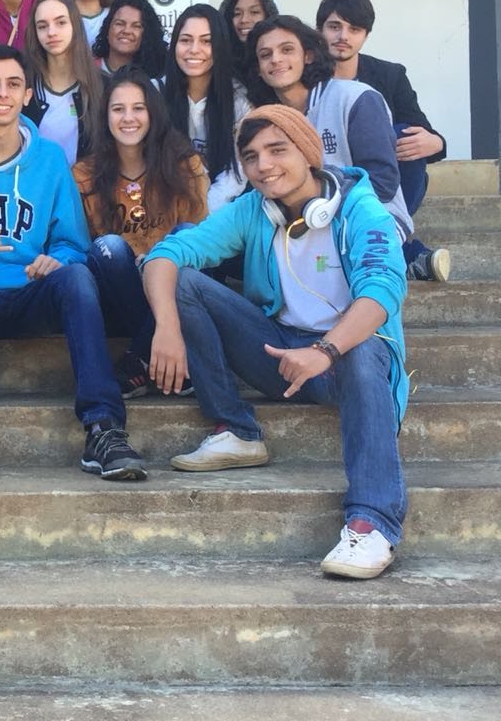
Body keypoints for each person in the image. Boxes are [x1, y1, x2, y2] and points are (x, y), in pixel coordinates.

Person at [142, 106, 408, 580]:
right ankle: (237, 430)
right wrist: (166, 326)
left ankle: (373, 522)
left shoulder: (362, 209)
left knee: (366, 347)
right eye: (251, 156)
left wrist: (325, 350)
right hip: (280, 355)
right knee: (183, 281)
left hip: (347, 357)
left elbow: (381, 292)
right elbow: (169, 253)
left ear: (307, 152)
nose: (263, 165)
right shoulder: (255, 209)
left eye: (277, 150)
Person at [0, 45, 144, 484]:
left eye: (13, 85)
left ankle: (103, 427)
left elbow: (73, 243)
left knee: (77, 275)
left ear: (27, 95)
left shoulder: (49, 159)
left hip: (32, 291)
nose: (2, 94)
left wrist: (54, 259)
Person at [74, 67, 208, 397]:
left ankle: (138, 359)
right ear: (105, 116)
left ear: (153, 113)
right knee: (108, 247)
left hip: (173, 286)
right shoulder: (84, 174)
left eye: (138, 108)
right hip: (119, 290)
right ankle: (165, 359)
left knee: (188, 235)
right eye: (118, 109)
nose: (128, 118)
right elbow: (80, 246)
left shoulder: (184, 164)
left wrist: (156, 263)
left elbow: (203, 240)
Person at [243, 15, 416, 247]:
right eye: (265, 55)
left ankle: (412, 255)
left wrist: (317, 203)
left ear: (308, 55)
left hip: (368, 222)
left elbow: (382, 183)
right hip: (297, 224)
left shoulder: (356, 98)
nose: (276, 59)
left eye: (287, 50)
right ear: (258, 69)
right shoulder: (265, 119)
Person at [315, 0, 450, 281]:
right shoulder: (306, 79)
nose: (343, 36)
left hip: (382, 185)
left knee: (404, 134)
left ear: (366, 35)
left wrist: (437, 142)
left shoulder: (389, 75)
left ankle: (385, 236)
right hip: (330, 180)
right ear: (319, 30)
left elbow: (424, 132)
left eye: (354, 29)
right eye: (335, 26)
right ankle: (407, 254)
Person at [162, 4, 251, 213]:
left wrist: (201, 213)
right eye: (185, 40)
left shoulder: (240, 101)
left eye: (206, 41)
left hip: (219, 213)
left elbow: (235, 175)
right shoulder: (155, 93)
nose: (194, 49)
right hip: (164, 211)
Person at [20, 0, 103, 165]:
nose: (51, 32)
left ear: (75, 25)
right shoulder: (23, 86)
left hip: (86, 181)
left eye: (61, 23)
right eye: (42, 26)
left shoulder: (103, 86)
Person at [90, 0, 169, 84]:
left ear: (147, 34)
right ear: (107, 28)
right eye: (119, 24)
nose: (126, 31)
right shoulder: (87, 70)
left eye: (136, 26)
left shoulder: (158, 79)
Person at [217, 0, 278, 71]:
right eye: (237, 14)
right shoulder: (218, 63)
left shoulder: (279, 59)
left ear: (268, 16)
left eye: (254, 12)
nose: (244, 20)